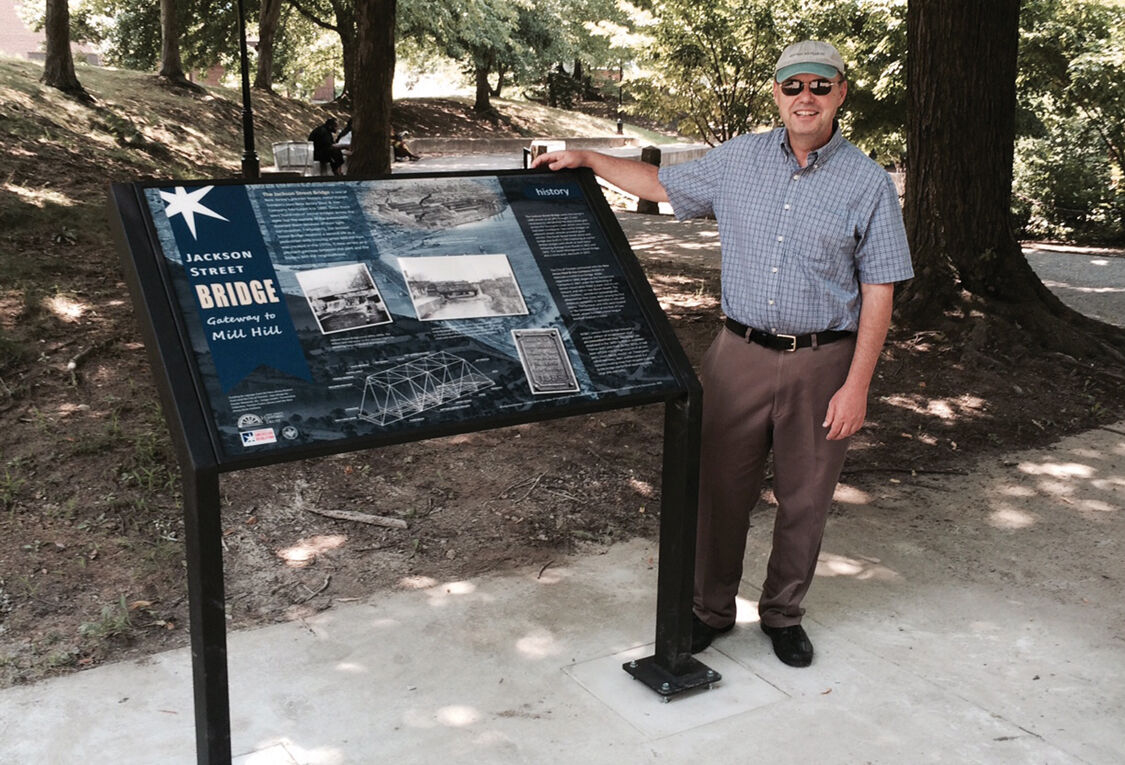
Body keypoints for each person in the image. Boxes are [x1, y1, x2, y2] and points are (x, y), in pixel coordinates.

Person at [533, 40, 913, 667]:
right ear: (777, 93)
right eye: (793, 86)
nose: (806, 98)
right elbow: (660, 183)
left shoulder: (868, 183)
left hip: (824, 362)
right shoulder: (738, 160)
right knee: (718, 489)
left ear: (841, 92)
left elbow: (880, 290)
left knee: (806, 497)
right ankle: (710, 608)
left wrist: (858, 385)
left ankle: (783, 613)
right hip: (737, 354)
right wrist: (588, 158)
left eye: (820, 86)